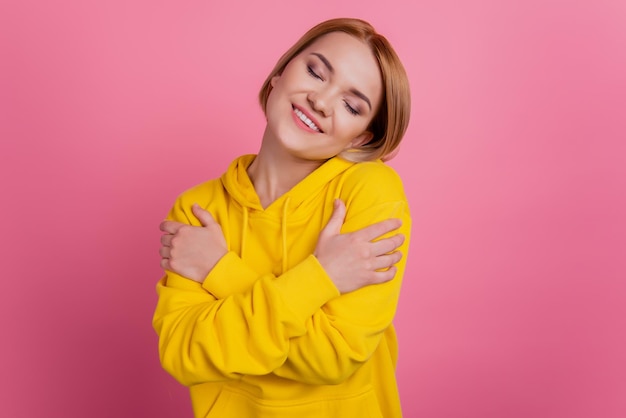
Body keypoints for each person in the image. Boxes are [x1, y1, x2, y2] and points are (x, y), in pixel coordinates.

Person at [153, 17, 412, 418]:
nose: (321, 101)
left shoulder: (369, 192)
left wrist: (220, 271)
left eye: (351, 105)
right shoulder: (198, 210)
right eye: (315, 71)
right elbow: (184, 353)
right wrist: (323, 278)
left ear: (361, 137)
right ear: (279, 73)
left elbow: (334, 355)